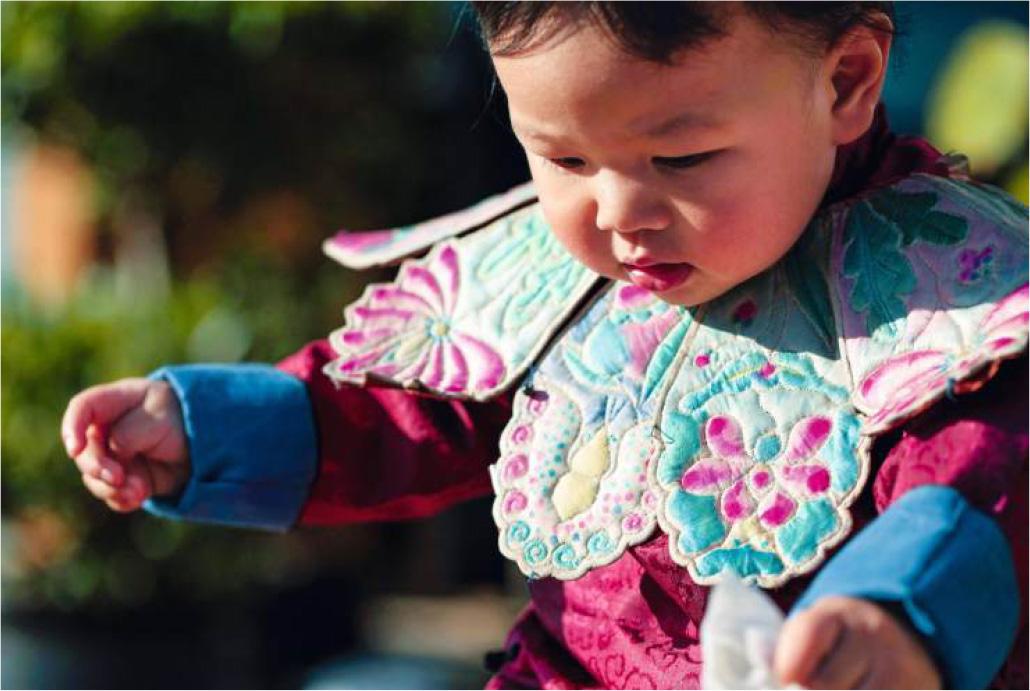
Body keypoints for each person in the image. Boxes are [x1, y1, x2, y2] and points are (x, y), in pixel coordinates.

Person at [61, 2, 1027, 688]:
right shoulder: (565, 274)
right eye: (564, 157)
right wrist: (206, 428)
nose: (618, 212)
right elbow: (410, 403)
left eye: (682, 157)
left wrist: (896, 614)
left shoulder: (952, 294)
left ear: (846, 81)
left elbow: (983, 477)